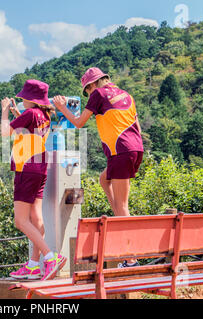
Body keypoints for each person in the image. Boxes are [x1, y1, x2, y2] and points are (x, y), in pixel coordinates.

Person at [52, 67, 144, 268]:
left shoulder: (98, 94)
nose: (88, 95)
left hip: (120, 150)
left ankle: (131, 259)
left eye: (87, 91)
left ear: (91, 85)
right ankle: (118, 217)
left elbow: (78, 122)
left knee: (123, 206)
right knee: (104, 180)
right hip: (135, 148)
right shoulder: (125, 94)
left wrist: (61, 107)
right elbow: (136, 125)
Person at [0, 79, 67, 280]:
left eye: (23, 98)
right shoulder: (44, 114)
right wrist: (17, 116)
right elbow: (29, 133)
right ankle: (32, 265)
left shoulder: (30, 113)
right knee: (35, 217)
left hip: (26, 168)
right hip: (40, 167)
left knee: (20, 220)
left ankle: (50, 257)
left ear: (30, 99)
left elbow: (5, 134)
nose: (22, 101)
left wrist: (4, 111)